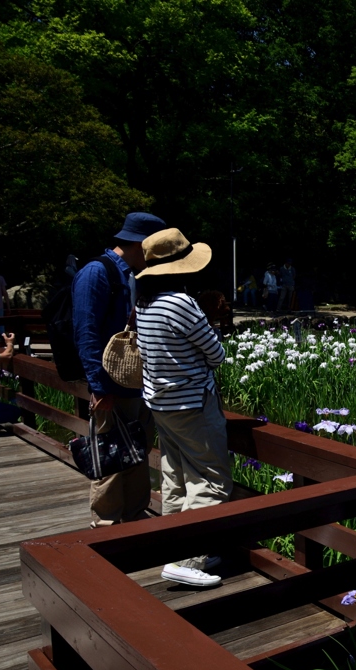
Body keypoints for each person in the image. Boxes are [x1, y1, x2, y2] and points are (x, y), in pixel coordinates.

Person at [135, 228, 229, 587]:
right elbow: (216, 355)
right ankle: (187, 558)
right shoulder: (181, 303)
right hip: (192, 404)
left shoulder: (143, 303)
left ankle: (173, 548)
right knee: (211, 481)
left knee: (175, 475)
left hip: (160, 403)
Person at [72, 212, 164, 528]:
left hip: (137, 384)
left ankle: (135, 518)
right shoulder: (97, 273)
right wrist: (99, 388)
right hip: (110, 387)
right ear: (141, 243)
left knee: (138, 453)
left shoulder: (135, 275)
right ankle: (106, 526)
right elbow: (86, 333)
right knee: (110, 459)